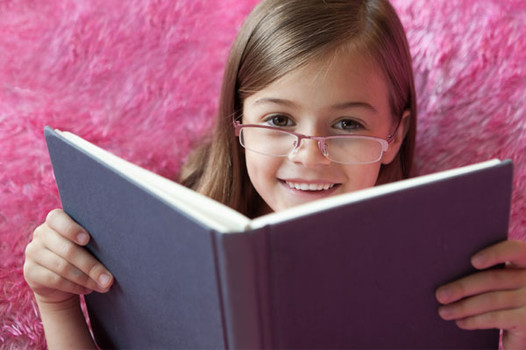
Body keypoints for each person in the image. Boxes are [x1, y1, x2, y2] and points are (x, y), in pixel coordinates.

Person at [23, 0, 526, 348]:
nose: (309, 156)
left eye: (348, 124)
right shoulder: (169, 233)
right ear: (238, 123)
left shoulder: (445, 255)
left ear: (394, 135)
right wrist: (58, 303)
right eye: (279, 120)